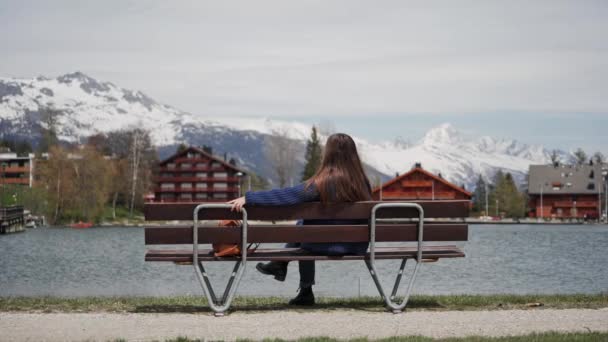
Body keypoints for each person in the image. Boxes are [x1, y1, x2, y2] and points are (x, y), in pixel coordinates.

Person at [228, 133, 372, 305]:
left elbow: (286, 196)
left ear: (328, 154)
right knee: (305, 227)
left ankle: (293, 279)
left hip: (321, 245)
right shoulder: (363, 183)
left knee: (305, 230)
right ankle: (281, 267)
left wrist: (249, 198)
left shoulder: (321, 183)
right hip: (355, 245)